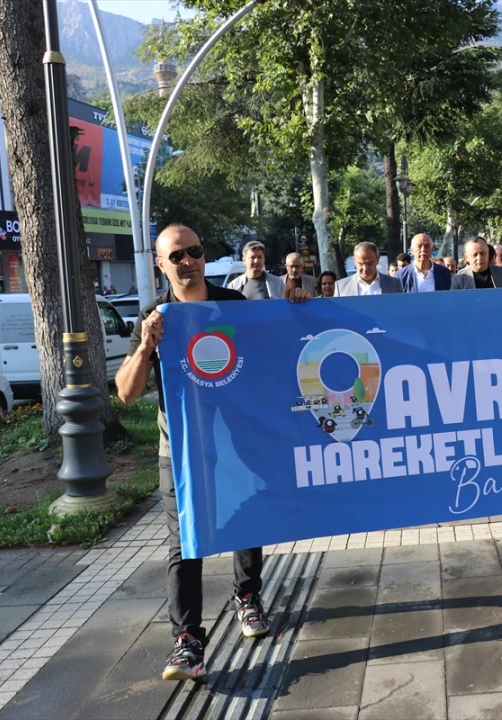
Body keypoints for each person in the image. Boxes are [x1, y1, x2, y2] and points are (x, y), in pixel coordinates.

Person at [115, 224, 310, 682]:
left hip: (236, 441)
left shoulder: (234, 306)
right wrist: (146, 347)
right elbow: (125, 393)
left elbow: (274, 351)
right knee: (184, 543)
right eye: (177, 256)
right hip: (180, 450)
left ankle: (247, 596)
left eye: (195, 252)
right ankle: (188, 644)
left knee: (246, 518)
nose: (189, 261)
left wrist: (296, 309)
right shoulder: (154, 318)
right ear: (161, 265)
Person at [336, 242, 403, 296]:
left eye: (370, 264)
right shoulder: (341, 287)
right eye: (361, 264)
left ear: (378, 260)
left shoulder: (394, 284)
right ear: (354, 260)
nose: (365, 269)